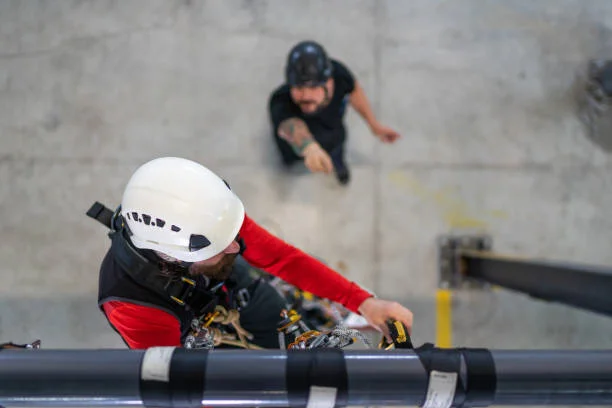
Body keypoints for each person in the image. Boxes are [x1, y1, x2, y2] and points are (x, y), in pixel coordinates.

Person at [89, 156, 413, 349]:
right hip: (197, 340)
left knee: (287, 320)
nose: (237, 246)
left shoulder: (207, 219)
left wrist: (364, 301)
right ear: (175, 257)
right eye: (221, 246)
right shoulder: (134, 307)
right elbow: (180, 387)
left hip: (232, 292)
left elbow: (282, 259)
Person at [268, 40, 401, 185]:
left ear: (329, 82)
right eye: (299, 87)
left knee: (337, 156)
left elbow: (354, 92)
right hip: (295, 149)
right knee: (291, 163)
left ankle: (339, 168)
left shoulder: (340, 76)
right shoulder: (280, 100)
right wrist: (309, 147)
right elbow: (290, 125)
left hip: (334, 139)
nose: (305, 96)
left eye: (314, 87)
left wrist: (373, 124)